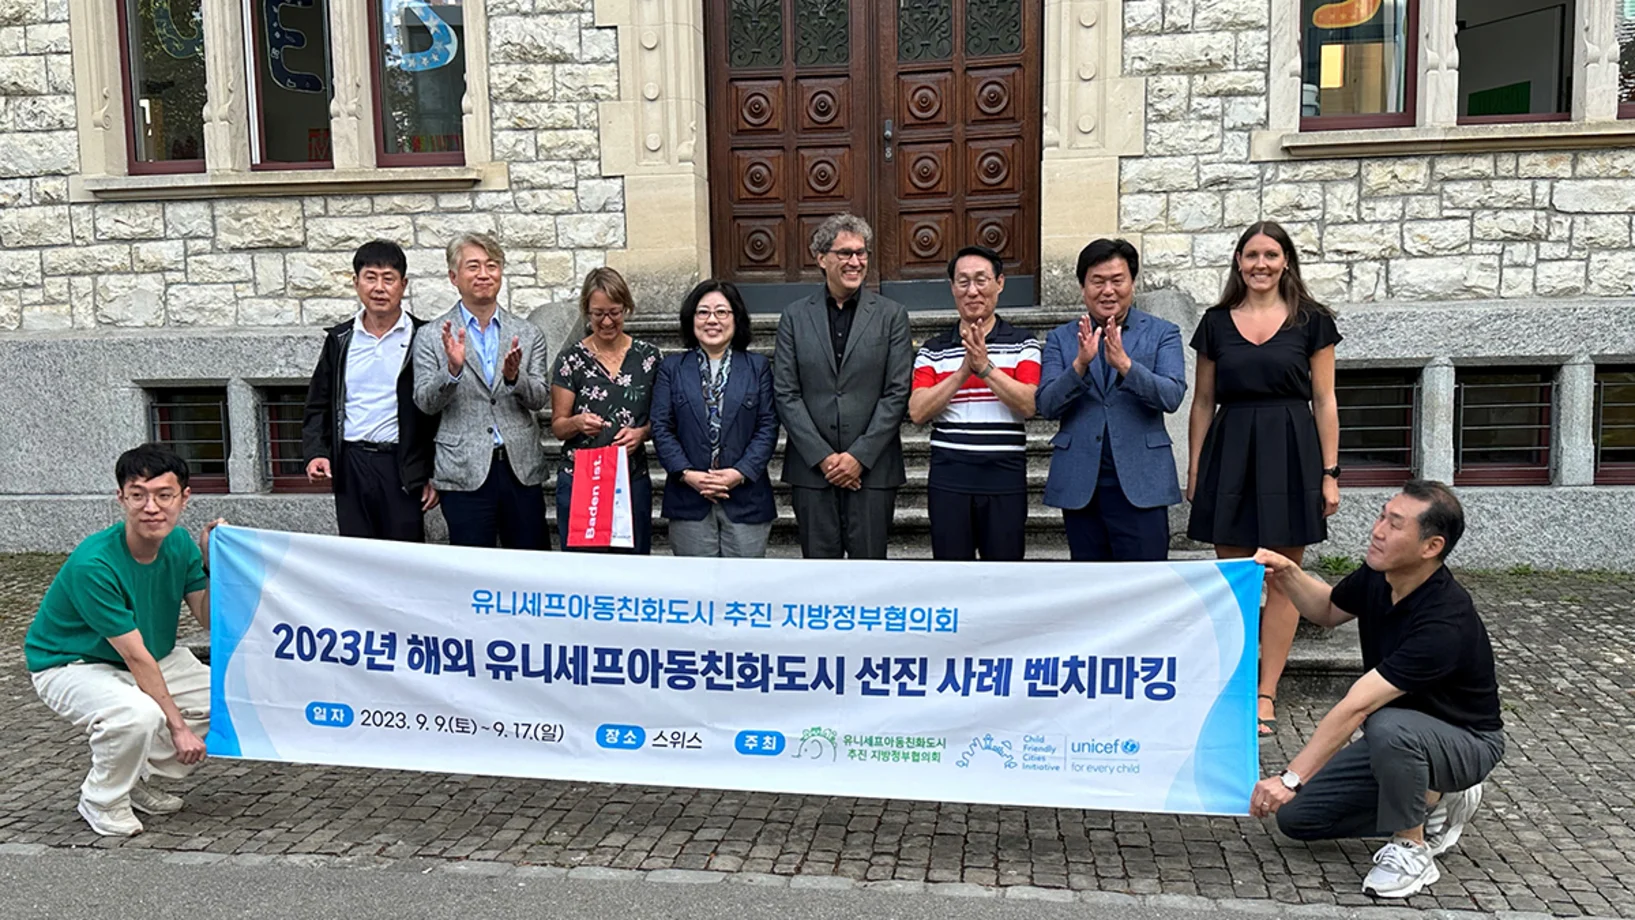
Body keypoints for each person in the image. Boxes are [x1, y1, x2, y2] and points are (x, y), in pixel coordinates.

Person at [1249, 480, 1503, 899]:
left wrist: (1289, 778)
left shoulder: (1444, 620)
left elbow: (1356, 706)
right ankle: (1435, 800)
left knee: (1385, 722)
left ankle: (1410, 848)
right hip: (1398, 743)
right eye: (1382, 515)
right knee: (1296, 819)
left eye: (1395, 524)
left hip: (1466, 741)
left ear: (1431, 546)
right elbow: (1328, 610)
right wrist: (1290, 576)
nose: (1378, 530)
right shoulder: (1378, 576)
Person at [1187, 221, 1341, 735]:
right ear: (1238, 262)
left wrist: (1329, 473)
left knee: (1282, 579)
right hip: (1230, 450)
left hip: (1293, 449)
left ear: (1286, 262)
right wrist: (1195, 466)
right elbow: (1203, 401)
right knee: (1234, 581)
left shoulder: (1312, 321)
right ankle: (1231, 685)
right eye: (1251, 254)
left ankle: (1265, 692)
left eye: (1270, 255)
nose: (1260, 264)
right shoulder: (1214, 323)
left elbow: (1325, 400)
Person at [24, 444, 223, 837]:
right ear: (121, 498)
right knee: (138, 715)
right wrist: (179, 727)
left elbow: (209, 619)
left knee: (230, 698)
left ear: (184, 498)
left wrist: (209, 561)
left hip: (151, 655)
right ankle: (101, 798)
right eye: (138, 495)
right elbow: (135, 657)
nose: (152, 507)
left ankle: (132, 778)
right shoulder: (93, 564)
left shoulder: (179, 544)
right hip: (71, 663)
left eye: (164, 495)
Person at [773, 213, 913, 559]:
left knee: (869, 575)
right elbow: (786, 393)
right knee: (820, 578)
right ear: (821, 258)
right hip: (812, 471)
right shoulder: (794, 316)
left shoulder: (891, 315)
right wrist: (824, 458)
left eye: (861, 253)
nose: (856, 261)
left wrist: (857, 457)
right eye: (845, 253)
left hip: (873, 469)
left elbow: (897, 392)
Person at [1036, 239, 1185, 561]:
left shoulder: (1162, 333)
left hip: (1140, 481)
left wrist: (1125, 366)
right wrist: (1079, 365)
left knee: (1145, 586)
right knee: (1092, 590)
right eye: (1097, 281)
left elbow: (1172, 395)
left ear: (1132, 282)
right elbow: (1046, 404)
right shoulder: (1062, 339)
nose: (1108, 290)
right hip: (1081, 482)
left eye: (1117, 280)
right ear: (1082, 287)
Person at [412, 232, 552, 549]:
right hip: (464, 469)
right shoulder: (432, 335)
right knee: (472, 568)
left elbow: (540, 397)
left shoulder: (527, 333)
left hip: (520, 468)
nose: (484, 274)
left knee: (531, 563)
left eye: (492, 265)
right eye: (473, 266)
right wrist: (451, 371)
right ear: (453, 276)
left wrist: (516, 378)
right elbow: (424, 402)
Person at [908, 246, 1040, 561]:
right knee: (951, 573)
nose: (972, 291)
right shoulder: (933, 350)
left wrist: (986, 368)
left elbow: (1028, 404)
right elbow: (917, 411)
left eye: (981, 280)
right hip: (949, 476)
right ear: (952, 288)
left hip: (1004, 474)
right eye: (963, 281)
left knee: (1005, 572)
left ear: (1000, 283)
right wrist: (964, 370)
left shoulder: (1024, 342)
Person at [301, 240, 439, 541]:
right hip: (351, 464)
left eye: (388, 278)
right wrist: (316, 453)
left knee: (405, 556)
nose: (379, 287)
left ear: (403, 285)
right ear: (356, 282)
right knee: (357, 555)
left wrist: (431, 473)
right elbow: (318, 404)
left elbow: (436, 413)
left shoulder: (423, 337)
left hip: (402, 466)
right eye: (370, 277)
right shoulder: (341, 340)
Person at [651, 280, 779, 557]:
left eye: (722, 312)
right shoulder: (671, 369)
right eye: (703, 312)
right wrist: (687, 474)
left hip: (746, 499)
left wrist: (738, 473)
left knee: (744, 591)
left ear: (736, 318)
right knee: (695, 592)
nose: (712, 320)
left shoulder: (757, 367)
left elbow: (767, 426)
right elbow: (661, 428)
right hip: (689, 498)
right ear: (691, 318)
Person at [550, 267, 662, 555]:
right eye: (598, 313)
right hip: (582, 478)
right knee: (584, 570)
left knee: (633, 566)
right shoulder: (571, 359)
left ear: (627, 307)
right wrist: (576, 422)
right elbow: (558, 426)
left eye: (615, 312)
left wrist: (642, 432)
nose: (607, 321)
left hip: (630, 476)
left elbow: (662, 418)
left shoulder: (649, 358)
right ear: (587, 311)